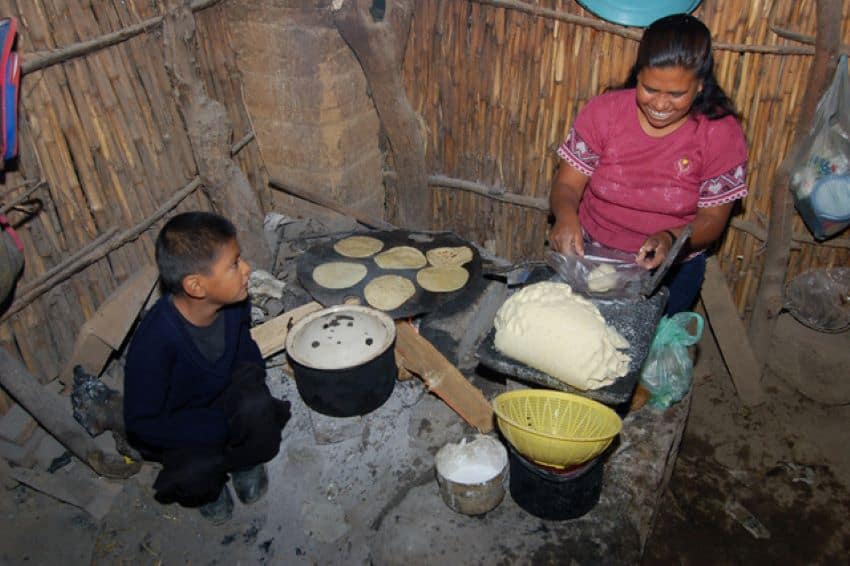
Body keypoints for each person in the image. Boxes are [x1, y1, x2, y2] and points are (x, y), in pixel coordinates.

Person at [548, 13, 748, 314]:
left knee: (648, 345)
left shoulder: (720, 132)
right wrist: (564, 216)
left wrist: (671, 238)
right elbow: (566, 184)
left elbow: (712, 220)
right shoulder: (605, 113)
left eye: (677, 94)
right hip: (591, 253)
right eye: (650, 88)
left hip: (670, 269)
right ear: (638, 75)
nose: (660, 104)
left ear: (701, 86)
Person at [124, 211, 291, 524]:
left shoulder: (233, 304)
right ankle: (211, 491)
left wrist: (250, 386)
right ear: (196, 286)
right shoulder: (155, 342)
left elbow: (244, 348)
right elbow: (141, 422)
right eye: (234, 264)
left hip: (224, 394)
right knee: (193, 472)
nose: (247, 269)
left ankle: (245, 463)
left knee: (258, 408)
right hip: (184, 420)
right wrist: (213, 429)